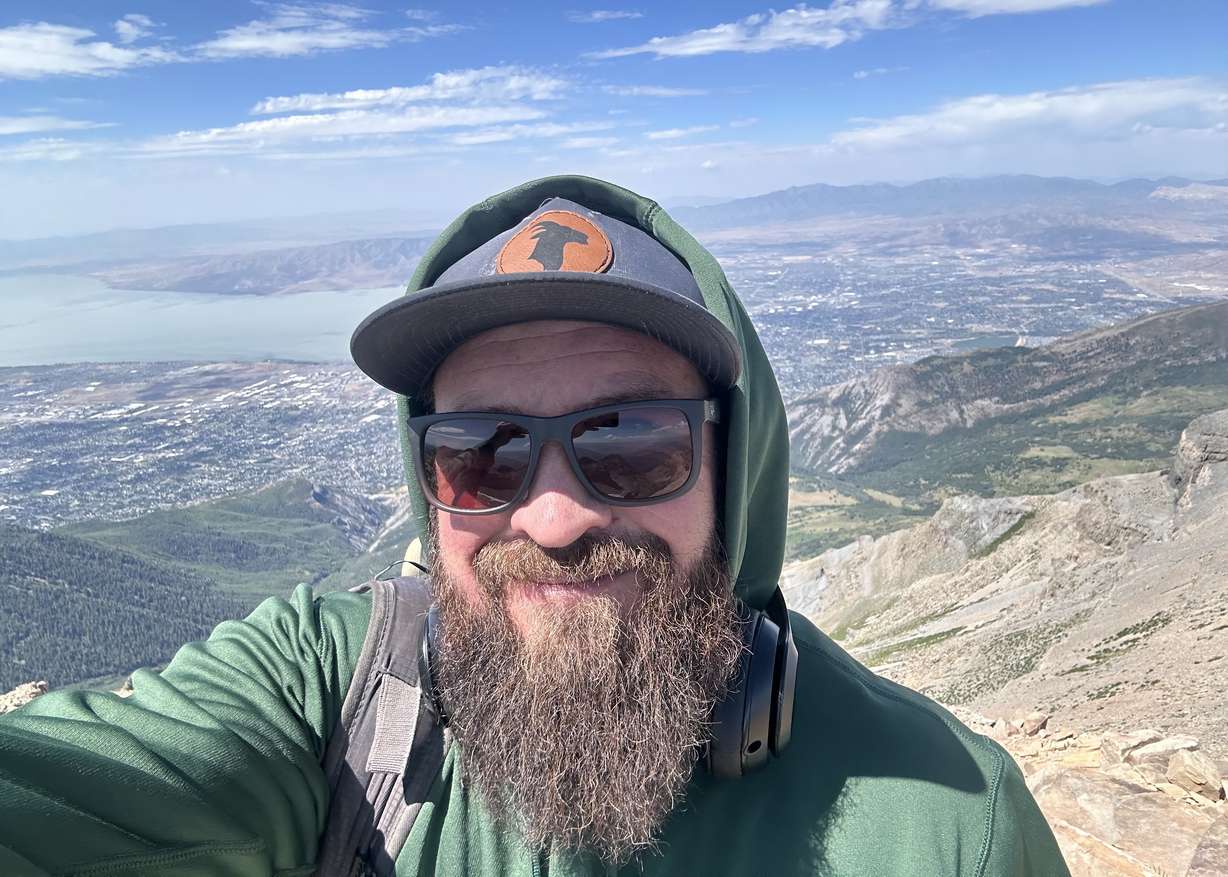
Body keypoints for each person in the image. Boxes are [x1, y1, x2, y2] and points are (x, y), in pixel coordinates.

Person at [0, 176, 1068, 876]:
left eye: (633, 443)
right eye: (481, 454)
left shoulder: (945, 825)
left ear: (734, 467)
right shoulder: (332, 695)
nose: (554, 518)